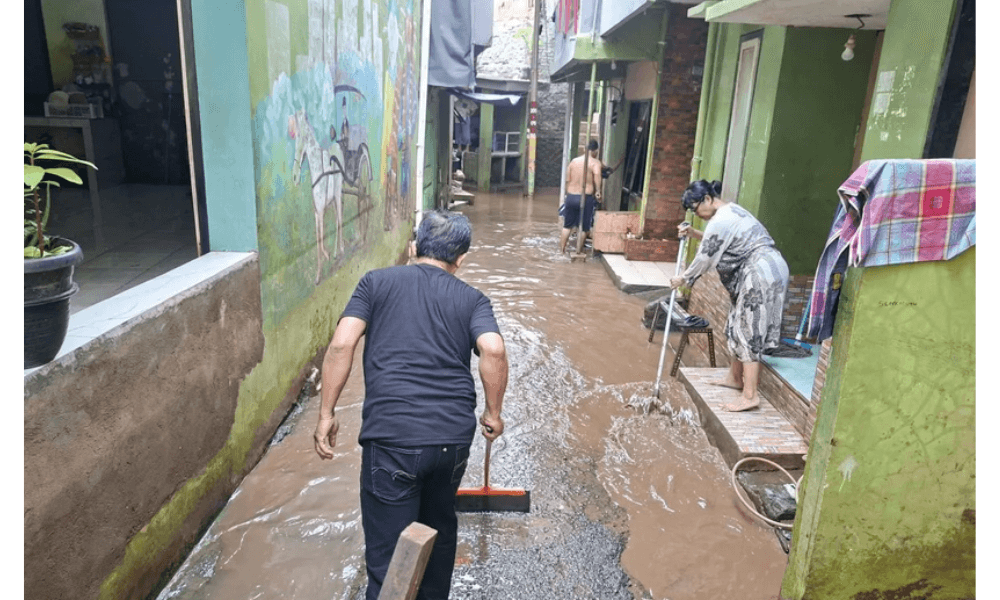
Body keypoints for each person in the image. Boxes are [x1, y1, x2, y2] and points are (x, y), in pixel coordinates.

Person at [313, 209, 509, 600]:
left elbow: (341, 344)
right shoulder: (473, 299)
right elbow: (494, 349)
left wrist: (326, 414)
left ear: (414, 246)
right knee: (437, 528)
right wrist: (493, 413)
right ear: (461, 259)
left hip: (393, 439)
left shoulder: (375, 283)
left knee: (388, 557)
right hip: (451, 442)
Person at [669, 180, 789, 412]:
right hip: (763, 269)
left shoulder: (721, 219)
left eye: (696, 209)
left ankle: (750, 395)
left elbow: (705, 257)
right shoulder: (731, 211)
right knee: (736, 322)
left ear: (707, 199)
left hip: (760, 271)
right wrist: (695, 233)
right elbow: (723, 242)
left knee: (749, 329)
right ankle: (735, 378)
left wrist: (683, 278)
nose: (697, 214)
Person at [560, 139, 604, 254]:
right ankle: (578, 252)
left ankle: (561, 251)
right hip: (585, 197)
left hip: (570, 197)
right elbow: (597, 177)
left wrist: (567, 195)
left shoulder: (574, 161)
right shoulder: (595, 163)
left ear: (585, 149)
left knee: (567, 226)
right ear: (595, 151)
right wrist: (598, 191)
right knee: (584, 228)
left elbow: (567, 180)